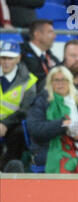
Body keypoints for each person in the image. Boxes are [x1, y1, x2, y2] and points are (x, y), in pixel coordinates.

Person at [26, 66, 78, 174]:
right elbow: (35, 130)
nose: (60, 84)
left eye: (64, 80)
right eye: (56, 80)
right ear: (50, 83)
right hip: (46, 148)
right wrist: (61, 125)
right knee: (66, 160)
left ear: (70, 82)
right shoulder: (42, 101)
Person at [0, 41, 37, 170]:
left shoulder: (29, 80)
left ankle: (8, 169)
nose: (5, 62)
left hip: (15, 123)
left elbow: (26, 109)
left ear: (18, 58)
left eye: (10, 58)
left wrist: (5, 123)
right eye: (3, 57)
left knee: (19, 134)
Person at [20, 19, 59, 92]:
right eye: (50, 32)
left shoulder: (53, 59)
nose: (54, 36)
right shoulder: (20, 55)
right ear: (37, 34)